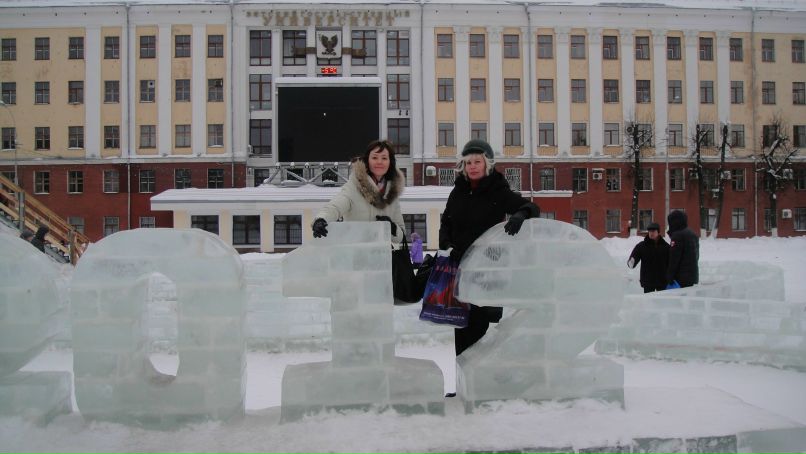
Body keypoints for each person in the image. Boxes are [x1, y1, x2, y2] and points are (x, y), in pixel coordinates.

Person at [439, 139, 540, 357]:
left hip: (486, 270)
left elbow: (531, 207)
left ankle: (477, 385)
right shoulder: (458, 191)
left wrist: (521, 214)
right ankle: (463, 385)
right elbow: (446, 221)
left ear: (487, 164)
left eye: (477, 162)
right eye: (468, 163)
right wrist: (446, 243)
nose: (473, 166)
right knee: (461, 328)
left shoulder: (497, 190)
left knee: (479, 329)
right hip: (459, 268)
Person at [311, 140, 404, 243]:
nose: (379, 162)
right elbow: (335, 207)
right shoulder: (353, 187)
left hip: (380, 256)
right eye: (374, 157)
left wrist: (391, 227)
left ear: (390, 162)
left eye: (384, 158)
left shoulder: (392, 193)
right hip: (355, 255)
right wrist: (321, 219)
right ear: (367, 160)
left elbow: (401, 236)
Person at [627, 222, 670, 293]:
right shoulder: (642, 246)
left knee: (662, 302)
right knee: (649, 302)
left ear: (658, 232)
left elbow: (670, 262)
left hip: (662, 280)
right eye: (649, 231)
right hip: (648, 281)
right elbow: (633, 258)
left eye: (653, 231)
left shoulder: (665, 247)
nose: (651, 233)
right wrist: (632, 262)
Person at [666, 210, 699, 288]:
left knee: (678, 299)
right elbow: (696, 255)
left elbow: (674, 259)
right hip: (692, 276)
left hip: (680, 279)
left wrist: (669, 276)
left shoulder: (677, 236)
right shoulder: (692, 234)